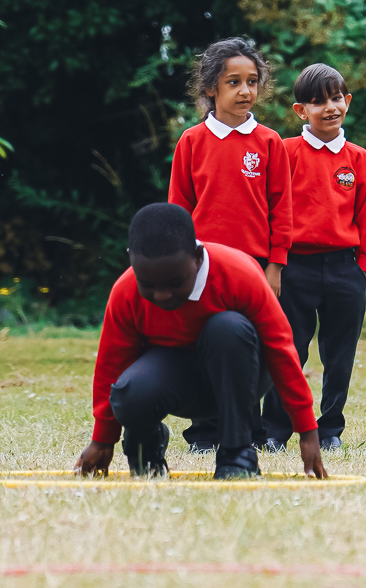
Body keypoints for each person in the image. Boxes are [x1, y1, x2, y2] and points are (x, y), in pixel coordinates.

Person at [79, 204, 324, 481]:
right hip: (179, 384)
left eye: (174, 282)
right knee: (130, 389)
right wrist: (102, 440)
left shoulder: (240, 274)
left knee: (227, 328)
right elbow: (111, 366)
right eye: (148, 284)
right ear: (132, 261)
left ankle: (237, 453)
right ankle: (146, 452)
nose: (161, 295)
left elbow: (281, 349)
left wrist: (307, 429)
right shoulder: (126, 292)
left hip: (242, 378)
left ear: (197, 256)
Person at [166, 37, 292, 452]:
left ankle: (250, 433)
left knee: (251, 347)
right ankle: (204, 433)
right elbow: (178, 211)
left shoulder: (270, 142)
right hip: (203, 267)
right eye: (233, 82)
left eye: (252, 81)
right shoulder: (191, 142)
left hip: (254, 267)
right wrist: (180, 264)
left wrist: (275, 265)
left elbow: (281, 210)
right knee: (204, 342)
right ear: (210, 90)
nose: (245, 91)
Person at [261, 63, 366, 454]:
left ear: (346, 102)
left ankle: (330, 428)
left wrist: (362, 267)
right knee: (289, 350)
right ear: (301, 111)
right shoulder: (285, 151)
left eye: (335, 99)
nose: (329, 108)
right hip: (296, 268)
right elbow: (274, 209)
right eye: (317, 102)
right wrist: (276, 262)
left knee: (339, 354)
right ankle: (276, 429)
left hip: (345, 268)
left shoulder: (358, 158)